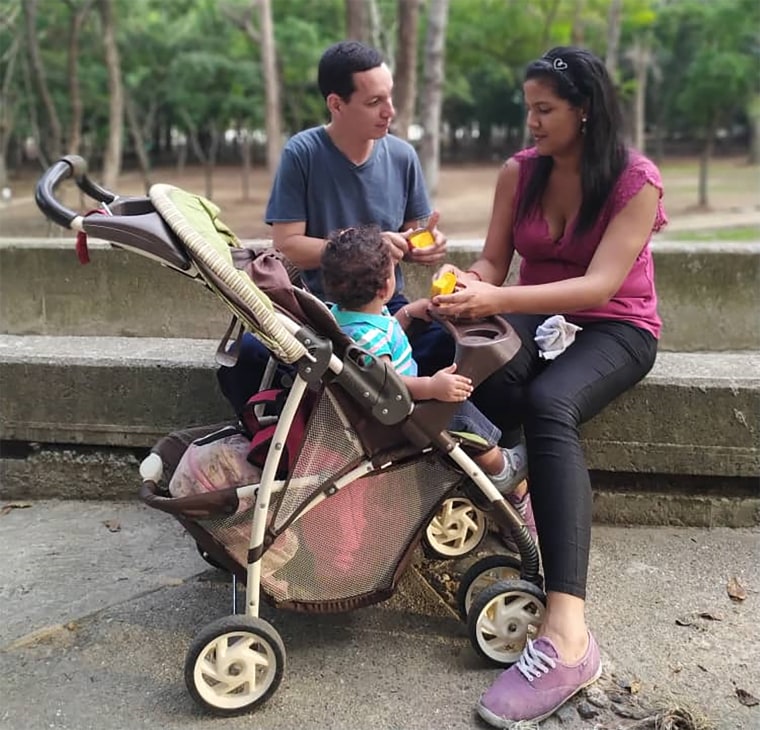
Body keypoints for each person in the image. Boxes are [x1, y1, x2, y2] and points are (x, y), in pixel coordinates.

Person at [432, 46, 667, 726]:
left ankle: (568, 635)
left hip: (617, 328)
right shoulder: (520, 174)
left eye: (545, 110)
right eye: (527, 108)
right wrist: (472, 286)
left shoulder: (635, 180)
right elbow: (495, 258)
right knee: (471, 374)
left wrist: (502, 295)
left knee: (549, 402)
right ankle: (526, 480)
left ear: (584, 110)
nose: (531, 122)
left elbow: (600, 285)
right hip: (539, 321)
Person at [217, 39, 454, 414]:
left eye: (389, 98)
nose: (389, 111)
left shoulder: (403, 156)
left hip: (384, 306)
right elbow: (288, 244)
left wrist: (425, 245)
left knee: (451, 339)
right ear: (336, 104)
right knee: (248, 355)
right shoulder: (303, 153)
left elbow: (414, 233)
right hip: (319, 311)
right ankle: (284, 436)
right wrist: (367, 246)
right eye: (374, 102)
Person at [321, 224, 527, 496]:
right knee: (458, 411)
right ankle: (500, 468)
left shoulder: (346, 316)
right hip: (402, 413)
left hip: (391, 403)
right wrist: (431, 386)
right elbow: (387, 382)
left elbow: (380, 342)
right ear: (386, 286)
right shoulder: (369, 338)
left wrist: (407, 314)